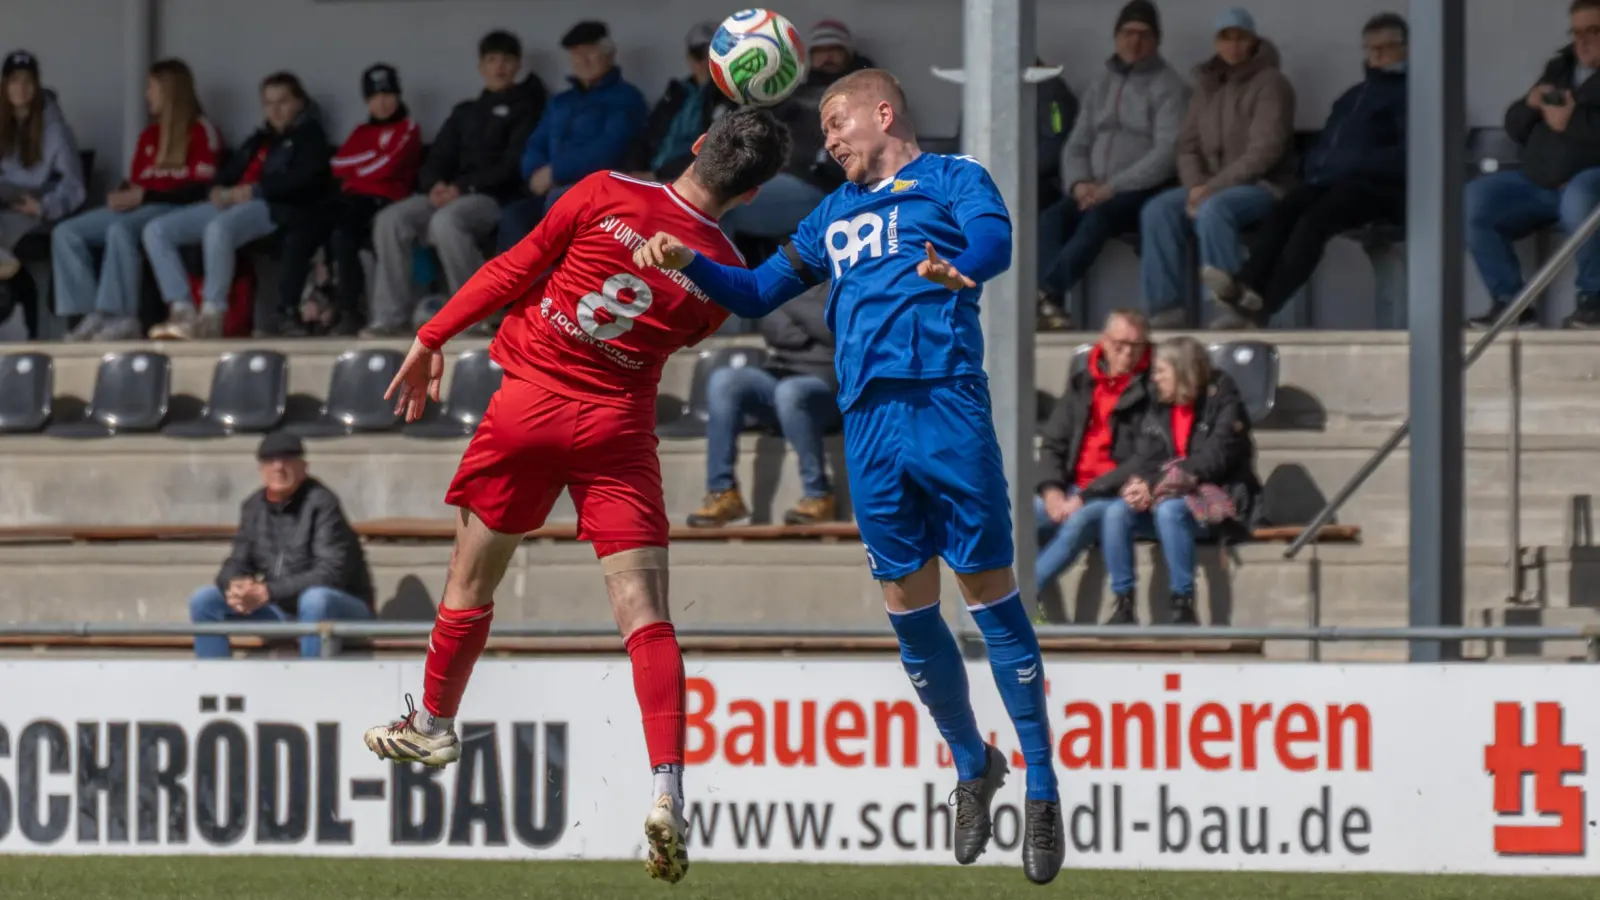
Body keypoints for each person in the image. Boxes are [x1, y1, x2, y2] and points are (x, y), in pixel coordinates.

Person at [633, 68, 1065, 885]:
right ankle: (974, 764)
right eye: (824, 130)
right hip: (867, 423)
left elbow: (997, 240)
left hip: (945, 402)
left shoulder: (951, 176)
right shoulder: (832, 214)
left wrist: (959, 265)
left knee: (989, 594)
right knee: (907, 607)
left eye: (836, 123)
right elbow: (759, 293)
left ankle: (1042, 789)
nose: (828, 140)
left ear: (883, 110)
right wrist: (686, 259)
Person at [360, 107, 792, 886]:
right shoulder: (721, 273)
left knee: (469, 582)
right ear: (754, 193)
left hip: (528, 410)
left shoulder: (603, 191)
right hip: (618, 432)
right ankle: (667, 787)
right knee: (644, 613)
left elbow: (510, 271)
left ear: (696, 145)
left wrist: (430, 338)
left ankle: (433, 722)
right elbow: (675, 333)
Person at [1206, 13, 1408, 329]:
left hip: (1379, 189)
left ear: (1407, 49)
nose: (1376, 56)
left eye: (1386, 48)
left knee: (1314, 222)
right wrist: (1312, 167)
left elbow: (1411, 154)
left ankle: (1265, 306)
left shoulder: (1413, 95)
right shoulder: (1353, 96)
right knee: (1286, 208)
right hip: (1329, 182)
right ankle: (1245, 287)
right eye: (1370, 48)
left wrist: (1356, 163)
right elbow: (1327, 143)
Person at [362, 30, 546, 337]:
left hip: (492, 198)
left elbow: (512, 166)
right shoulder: (465, 111)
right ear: (481, 66)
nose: (498, 66)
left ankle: (474, 313)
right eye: (491, 59)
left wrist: (462, 189)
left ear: (517, 65)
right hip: (448, 193)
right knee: (390, 220)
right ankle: (389, 317)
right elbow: (438, 156)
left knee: (446, 222)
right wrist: (434, 184)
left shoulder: (527, 110)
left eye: (506, 60)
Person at [142, 71, 332, 340]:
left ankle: (212, 314)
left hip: (274, 207)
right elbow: (228, 173)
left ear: (300, 102)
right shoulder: (260, 139)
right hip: (233, 202)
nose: (275, 110)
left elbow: (302, 180)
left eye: (283, 102)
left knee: (219, 229)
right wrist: (218, 189)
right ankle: (182, 309)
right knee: (157, 230)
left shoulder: (310, 137)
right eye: (269, 103)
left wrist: (254, 191)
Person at [1137, 7, 1295, 328]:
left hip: (1263, 187)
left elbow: (1266, 150)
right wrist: (1196, 185)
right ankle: (1166, 309)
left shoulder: (1272, 84)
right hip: (1208, 186)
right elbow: (1187, 144)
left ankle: (1231, 308)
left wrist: (1212, 188)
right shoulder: (1207, 85)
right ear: (1216, 42)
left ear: (1253, 40)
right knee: (1157, 211)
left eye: (1240, 38)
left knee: (1215, 209)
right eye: (1225, 38)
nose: (1233, 46)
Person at [1037, 0, 1188, 331]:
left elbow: (1165, 153)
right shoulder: (1101, 82)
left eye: (1143, 35)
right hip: (1092, 188)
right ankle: (1051, 311)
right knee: (1050, 221)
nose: (1134, 42)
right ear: (1116, 37)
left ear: (1156, 40)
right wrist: (1078, 184)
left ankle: (1046, 293)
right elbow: (1077, 141)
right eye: (1127, 33)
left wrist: (1111, 188)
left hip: (1139, 190)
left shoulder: (1169, 86)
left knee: (1098, 219)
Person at [53, 58, 222, 342]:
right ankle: (87, 316)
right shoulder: (150, 134)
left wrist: (145, 195)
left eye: (151, 87)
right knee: (66, 232)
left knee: (119, 230)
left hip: (173, 208)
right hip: (140, 205)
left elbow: (201, 189)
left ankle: (120, 317)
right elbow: (138, 179)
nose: (146, 94)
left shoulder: (201, 130)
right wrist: (123, 194)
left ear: (169, 90)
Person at [1099, 336, 1262, 624]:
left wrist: (1157, 485)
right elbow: (1148, 456)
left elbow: (1213, 460)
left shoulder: (1222, 398)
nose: (1156, 378)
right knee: (1115, 512)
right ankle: (1124, 603)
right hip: (1167, 497)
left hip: (1215, 505)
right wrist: (1142, 485)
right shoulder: (1160, 403)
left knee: (1169, 511)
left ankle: (1182, 601)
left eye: (1162, 371)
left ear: (1182, 370)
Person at [1466, 0, 1600, 329]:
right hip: (1540, 182)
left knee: (1579, 196)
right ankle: (1513, 304)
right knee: (1472, 201)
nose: (1582, 41)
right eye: (1577, 32)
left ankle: (1594, 301)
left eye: (1594, 31)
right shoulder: (1560, 67)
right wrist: (1529, 104)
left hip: (1589, 182)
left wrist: (1572, 120)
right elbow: (1514, 125)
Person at [188, 433, 375, 659]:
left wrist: (268, 591)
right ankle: (215, 683)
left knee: (316, 599)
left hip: (340, 607)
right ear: (261, 469)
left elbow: (331, 573)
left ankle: (313, 686)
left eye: (287, 459)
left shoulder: (322, 503)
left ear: (303, 466)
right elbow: (236, 562)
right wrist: (236, 586)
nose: (278, 467)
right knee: (205, 600)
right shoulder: (253, 507)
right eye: (270, 460)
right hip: (280, 608)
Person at [274, 63, 423, 335]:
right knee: (303, 229)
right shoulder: (360, 132)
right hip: (351, 198)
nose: (383, 102)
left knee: (344, 233)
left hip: (384, 199)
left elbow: (387, 166)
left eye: (388, 94)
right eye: (375, 96)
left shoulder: (408, 128)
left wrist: (360, 168)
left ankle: (348, 310)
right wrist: (369, 162)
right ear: (367, 100)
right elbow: (338, 164)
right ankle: (287, 310)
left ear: (399, 95)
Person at [687, 281, 840, 527]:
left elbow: (832, 331)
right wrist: (807, 316)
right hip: (781, 378)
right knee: (725, 380)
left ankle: (818, 494)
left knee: (791, 392)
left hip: (830, 392)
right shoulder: (783, 279)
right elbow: (774, 330)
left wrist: (789, 300)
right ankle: (723, 492)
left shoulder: (842, 282)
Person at [497, 21, 648, 251]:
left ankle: (558, 286)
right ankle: (515, 287)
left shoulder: (626, 98)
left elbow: (610, 149)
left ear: (609, 55)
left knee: (558, 201)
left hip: (597, 193)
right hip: (553, 188)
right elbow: (536, 142)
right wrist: (535, 172)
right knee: (514, 216)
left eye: (590, 53)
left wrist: (555, 171)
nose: (582, 60)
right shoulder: (561, 102)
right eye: (576, 54)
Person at [1034, 310, 1153, 600]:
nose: (1126, 353)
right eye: (1119, 345)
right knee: (1017, 519)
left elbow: (1143, 457)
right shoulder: (1082, 383)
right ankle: (1029, 607)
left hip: (1112, 493)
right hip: (1072, 488)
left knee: (1079, 521)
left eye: (1135, 346)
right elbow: (1053, 443)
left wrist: (1084, 497)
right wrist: (1051, 491)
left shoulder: (1153, 388)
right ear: (1103, 341)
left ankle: (1017, 601)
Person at [0, 50, 86, 341]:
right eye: (13, 81)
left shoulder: (54, 127)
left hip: (36, 212)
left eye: (26, 81)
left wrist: (44, 206)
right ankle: (10, 278)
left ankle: (9, 278)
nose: (20, 88)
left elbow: (74, 187)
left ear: (36, 86)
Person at [636, 22, 737, 182]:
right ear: (689, 57)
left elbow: (714, 149)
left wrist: (659, 175)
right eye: (699, 54)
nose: (706, 61)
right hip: (652, 177)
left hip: (689, 181)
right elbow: (646, 135)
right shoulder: (676, 93)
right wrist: (631, 171)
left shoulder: (733, 97)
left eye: (716, 54)